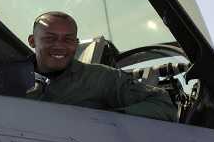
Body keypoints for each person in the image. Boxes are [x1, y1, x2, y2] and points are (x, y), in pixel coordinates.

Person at [26, 11, 177, 121]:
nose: (59, 46)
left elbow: (163, 105)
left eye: (68, 40)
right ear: (32, 41)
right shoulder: (6, 77)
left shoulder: (101, 79)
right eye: (50, 38)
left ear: (76, 44)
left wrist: (108, 119)